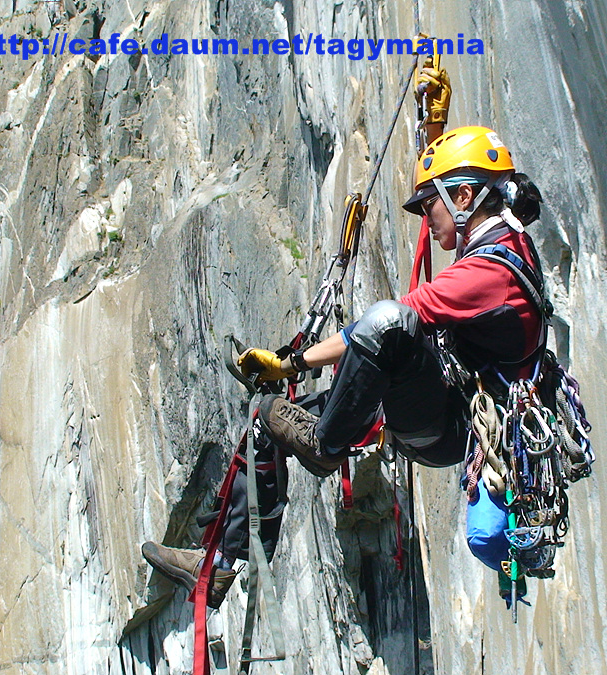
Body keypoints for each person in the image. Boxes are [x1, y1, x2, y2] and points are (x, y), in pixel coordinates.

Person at [142, 64, 547, 606]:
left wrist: (294, 362)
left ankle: (325, 443)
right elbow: (445, 222)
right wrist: (435, 132)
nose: (428, 220)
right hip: (438, 397)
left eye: (431, 206)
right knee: (267, 421)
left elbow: (386, 325)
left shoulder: (490, 273)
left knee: (386, 324)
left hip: (448, 423)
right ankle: (219, 564)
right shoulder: (498, 244)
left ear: (466, 197)